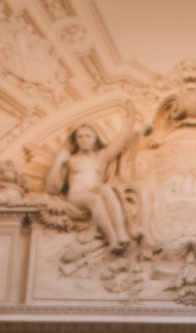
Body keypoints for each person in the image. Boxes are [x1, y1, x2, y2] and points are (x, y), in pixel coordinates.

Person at [44, 102, 136, 253]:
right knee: (95, 199)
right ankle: (112, 239)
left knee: (106, 189)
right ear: (76, 140)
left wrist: (131, 116)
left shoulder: (101, 157)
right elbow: (52, 188)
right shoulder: (71, 160)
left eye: (87, 136)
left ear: (95, 138)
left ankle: (121, 232)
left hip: (95, 191)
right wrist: (59, 162)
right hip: (77, 196)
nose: (84, 140)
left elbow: (122, 140)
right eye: (80, 137)